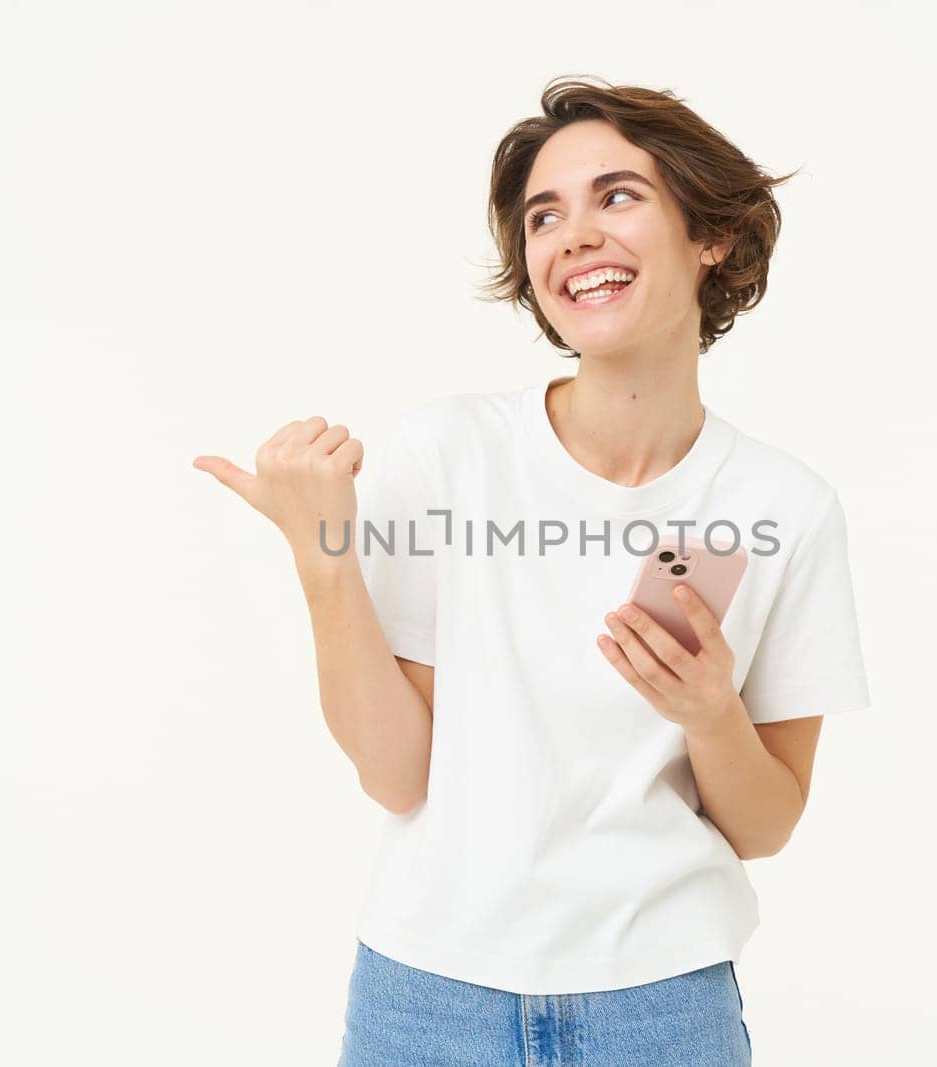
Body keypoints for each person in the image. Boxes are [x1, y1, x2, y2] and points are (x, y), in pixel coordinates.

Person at [194, 75, 871, 1067]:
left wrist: (708, 710)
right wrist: (322, 555)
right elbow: (394, 772)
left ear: (710, 237)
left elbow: (765, 822)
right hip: (425, 998)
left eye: (618, 196)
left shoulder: (780, 505)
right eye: (542, 215)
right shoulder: (449, 452)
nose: (572, 234)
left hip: (661, 1007)